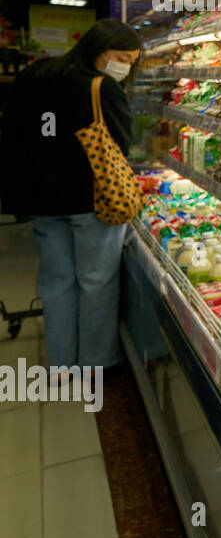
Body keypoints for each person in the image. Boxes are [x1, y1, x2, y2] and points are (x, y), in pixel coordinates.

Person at [0, 19, 142, 371]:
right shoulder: (100, 87)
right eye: (122, 57)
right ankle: (96, 363)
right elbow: (122, 143)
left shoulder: (37, 75)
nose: (125, 66)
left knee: (56, 283)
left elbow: (23, 131)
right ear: (99, 48)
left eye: (132, 61)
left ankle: (61, 366)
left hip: (42, 199)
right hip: (92, 199)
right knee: (96, 283)